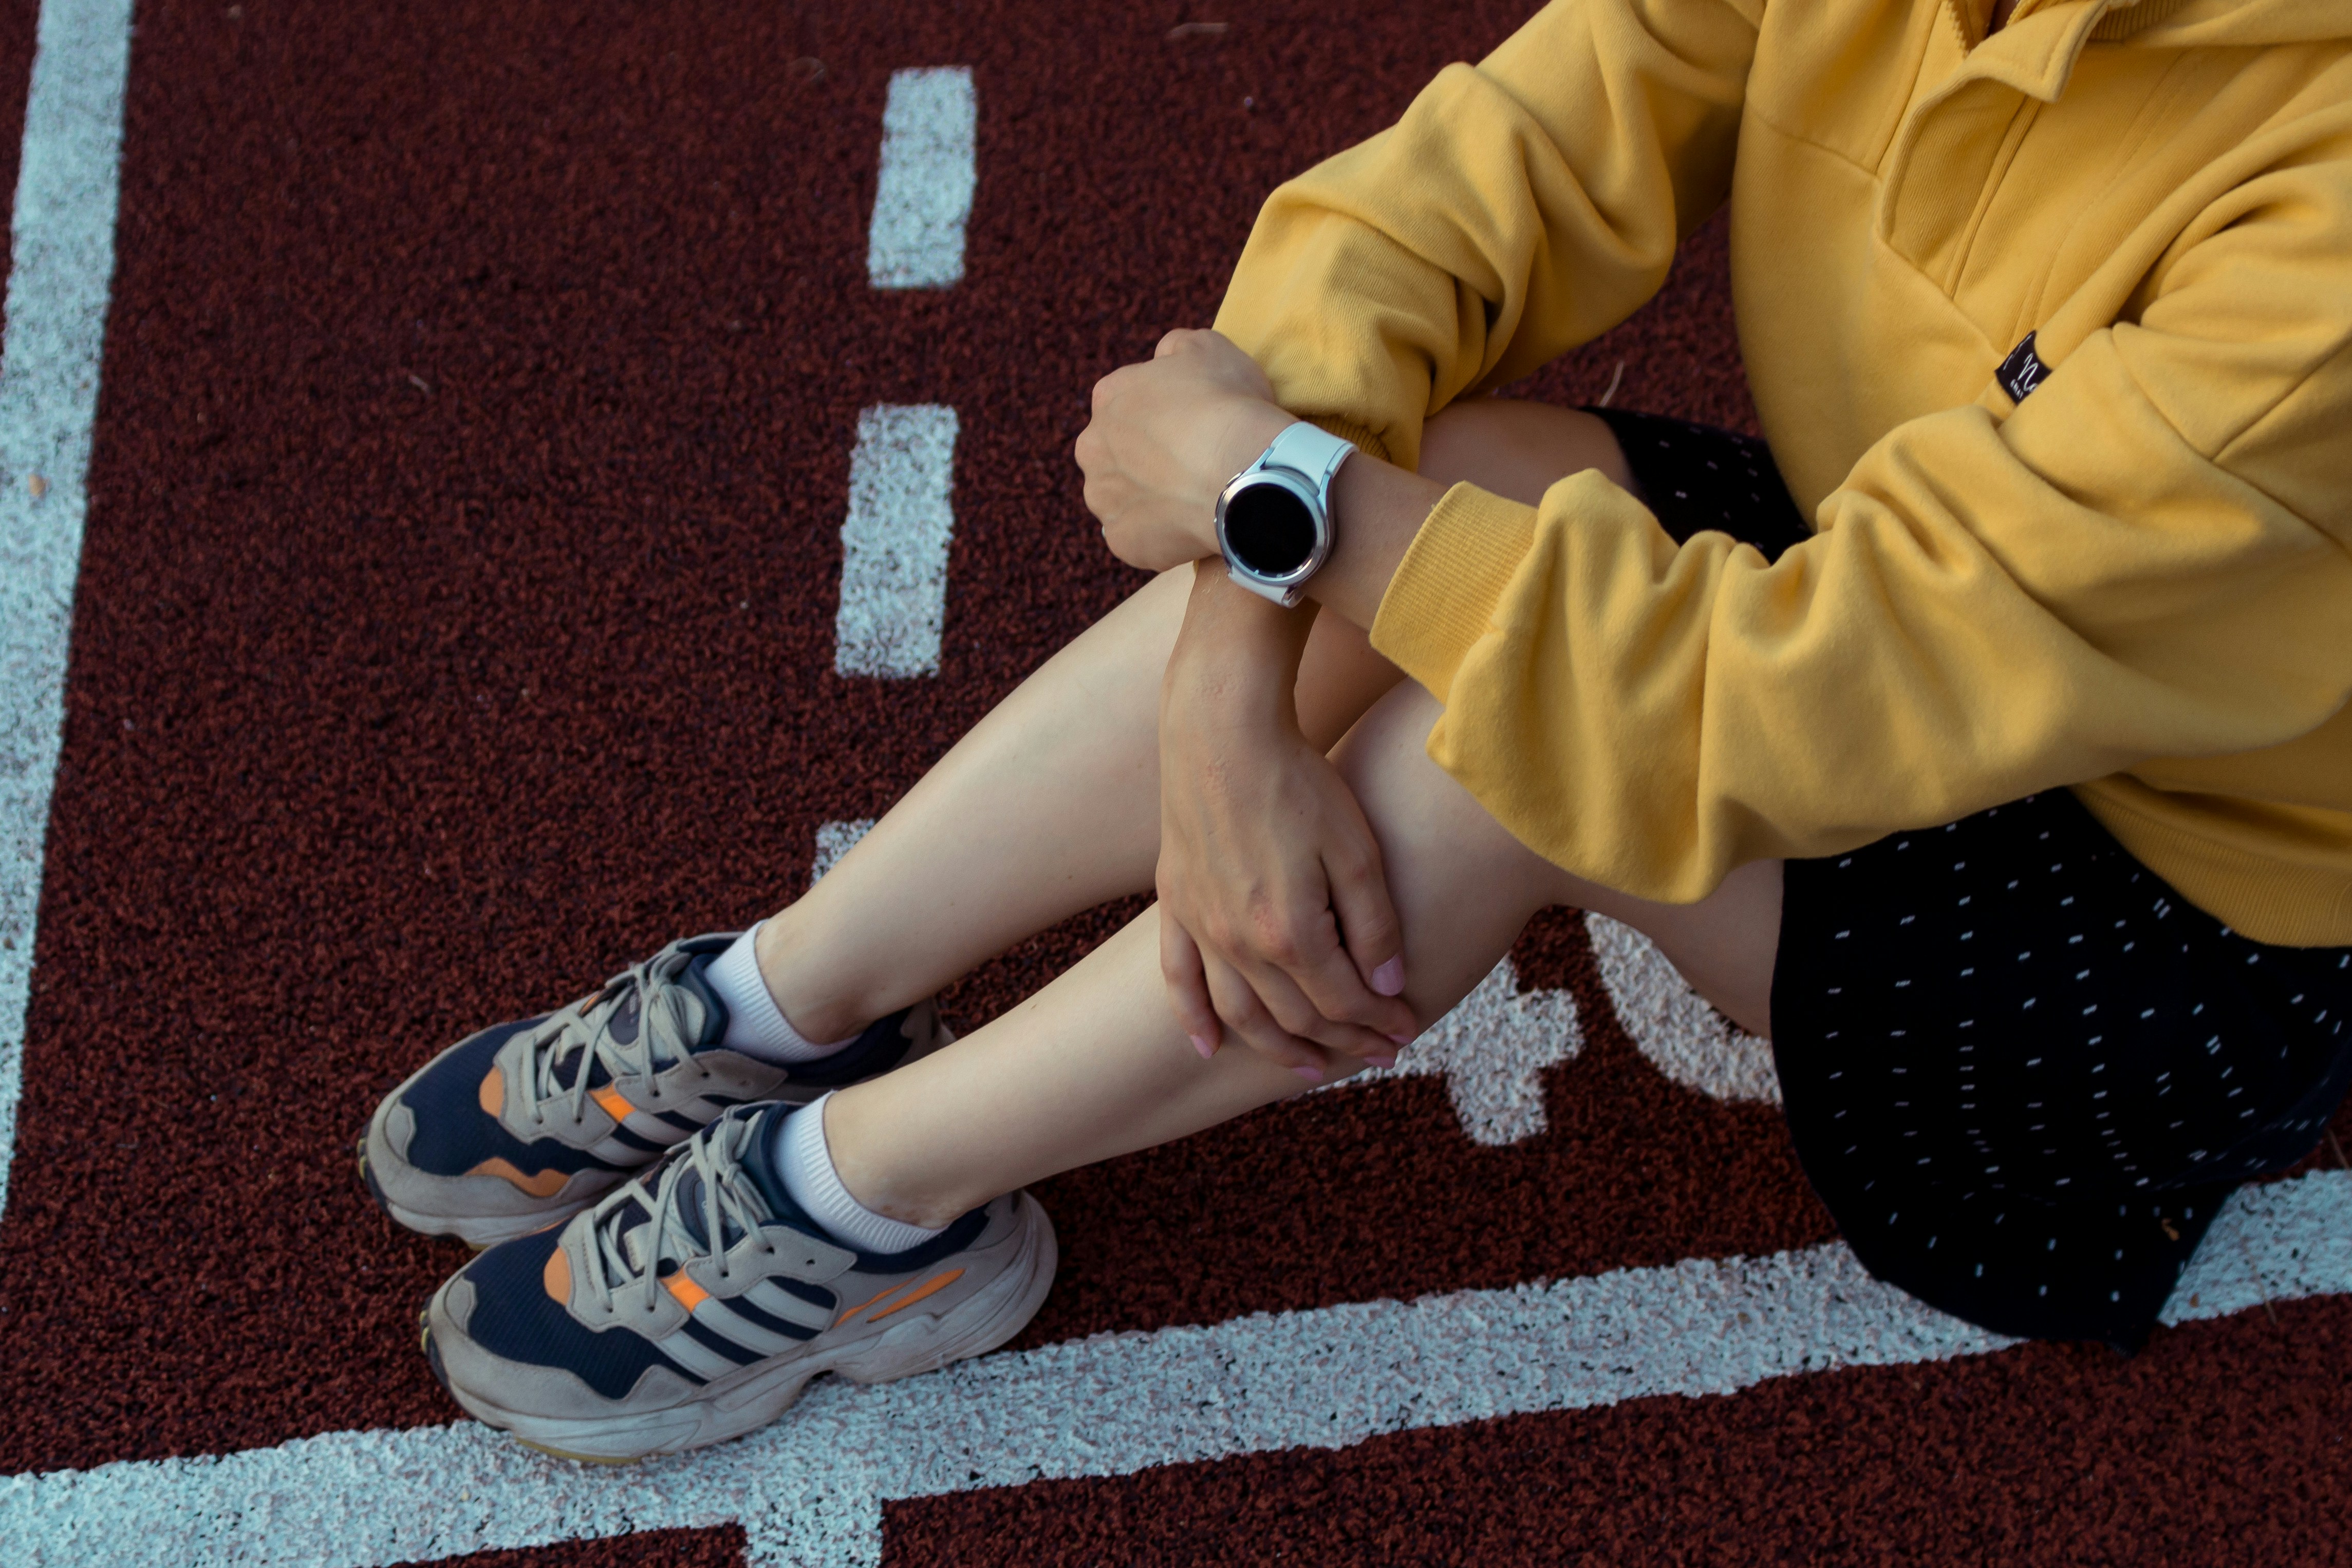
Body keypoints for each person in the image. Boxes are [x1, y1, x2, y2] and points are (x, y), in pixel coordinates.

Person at [358, 0, 2352, 1462]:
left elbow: (1777, 702)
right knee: (1458, 469)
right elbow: (1481, 178)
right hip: (1909, 603)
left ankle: (858, 1201)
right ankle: (787, 998)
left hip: (2164, 927)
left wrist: (1270, 497)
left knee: (1514, 759)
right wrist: (1233, 678)